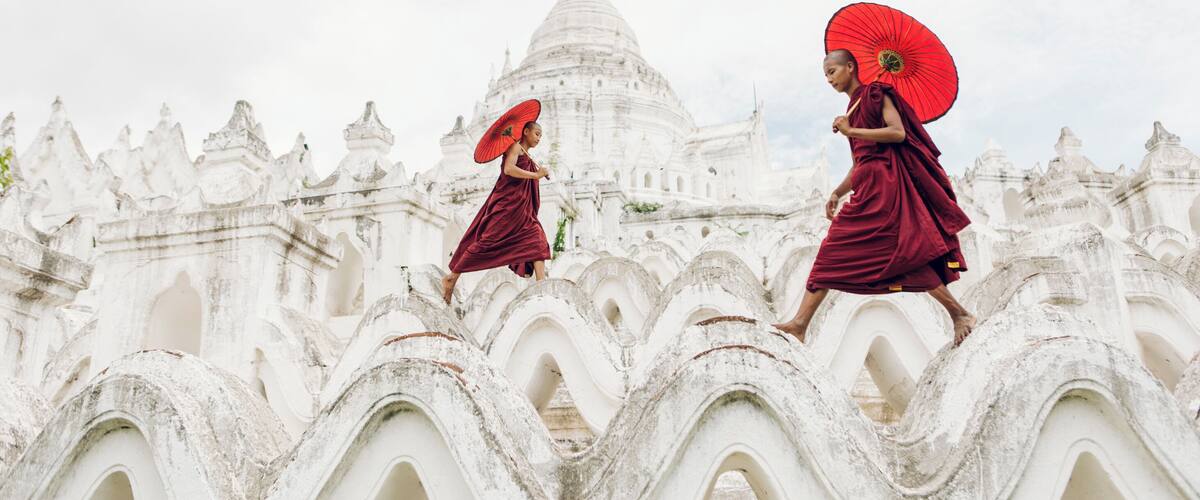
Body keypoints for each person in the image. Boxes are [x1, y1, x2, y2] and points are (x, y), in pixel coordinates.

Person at [773, 49, 977, 346]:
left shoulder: (876, 93)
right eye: (825, 75)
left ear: (850, 67)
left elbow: (897, 133)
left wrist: (851, 129)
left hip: (889, 188)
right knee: (833, 249)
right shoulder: (852, 109)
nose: (829, 79)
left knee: (904, 253)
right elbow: (860, 162)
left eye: (832, 71)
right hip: (866, 189)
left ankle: (959, 314)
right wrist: (836, 192)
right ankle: (800, 324)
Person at [441, 122, 551, 304]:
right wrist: (535, 175)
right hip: (506, 207)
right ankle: (452, 277)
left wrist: (537, 172)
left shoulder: (527, 155)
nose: (539, 138)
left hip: (522, 211)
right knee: (485, 242)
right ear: (525, 131)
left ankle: (542, 286)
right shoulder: (514, 146)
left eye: (541, 136)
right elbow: (508, 169)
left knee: (537, 239)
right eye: (537, 133)